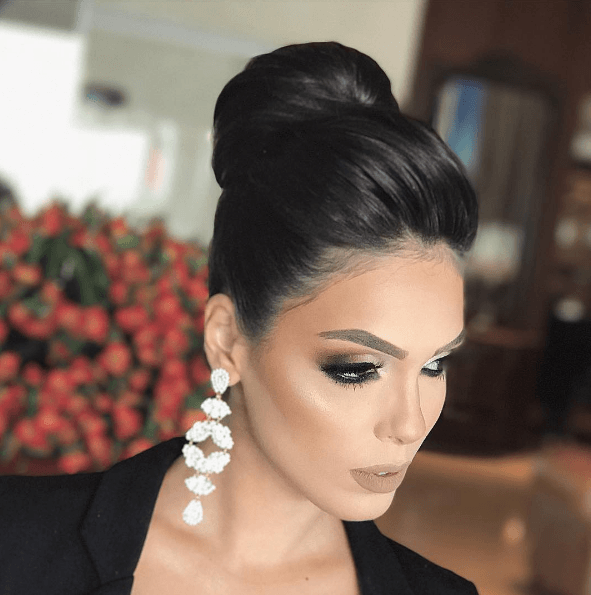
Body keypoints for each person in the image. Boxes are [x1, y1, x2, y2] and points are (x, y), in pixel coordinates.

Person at [0, 42, 479, 594]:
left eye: (435, 364)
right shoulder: (15, 542)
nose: (410, 424)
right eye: (357, 369)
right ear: (227, 340)